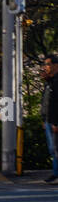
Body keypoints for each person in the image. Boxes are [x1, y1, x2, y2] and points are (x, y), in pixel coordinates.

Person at [41, 54, 58, 185]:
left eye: (48, 64)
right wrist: (44, 119)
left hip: (54, 122)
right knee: (52, 149)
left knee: (56, 149)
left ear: (55, 65)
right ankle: (55, 173)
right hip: (48, 121)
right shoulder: (50, 81)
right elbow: (46, 102)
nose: (45, 67)